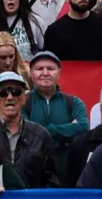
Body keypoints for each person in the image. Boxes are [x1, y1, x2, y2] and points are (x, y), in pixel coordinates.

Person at [22, 51, 88, 182]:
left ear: (59, 74)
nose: (45, 73)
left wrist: (46, 130)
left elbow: (83, 127)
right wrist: (67, 130)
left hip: (67, 173)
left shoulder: (74, 102)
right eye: (39, 69)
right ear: (31, 75)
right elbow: (24, 132)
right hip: (33, 175)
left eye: (51, 69)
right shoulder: (23, 102)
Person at [0, 71, 59, 188]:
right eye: (3, 92)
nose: (9, 97)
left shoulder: (41, 135)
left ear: (24, 98)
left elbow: (51, 181)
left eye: (16, 91)